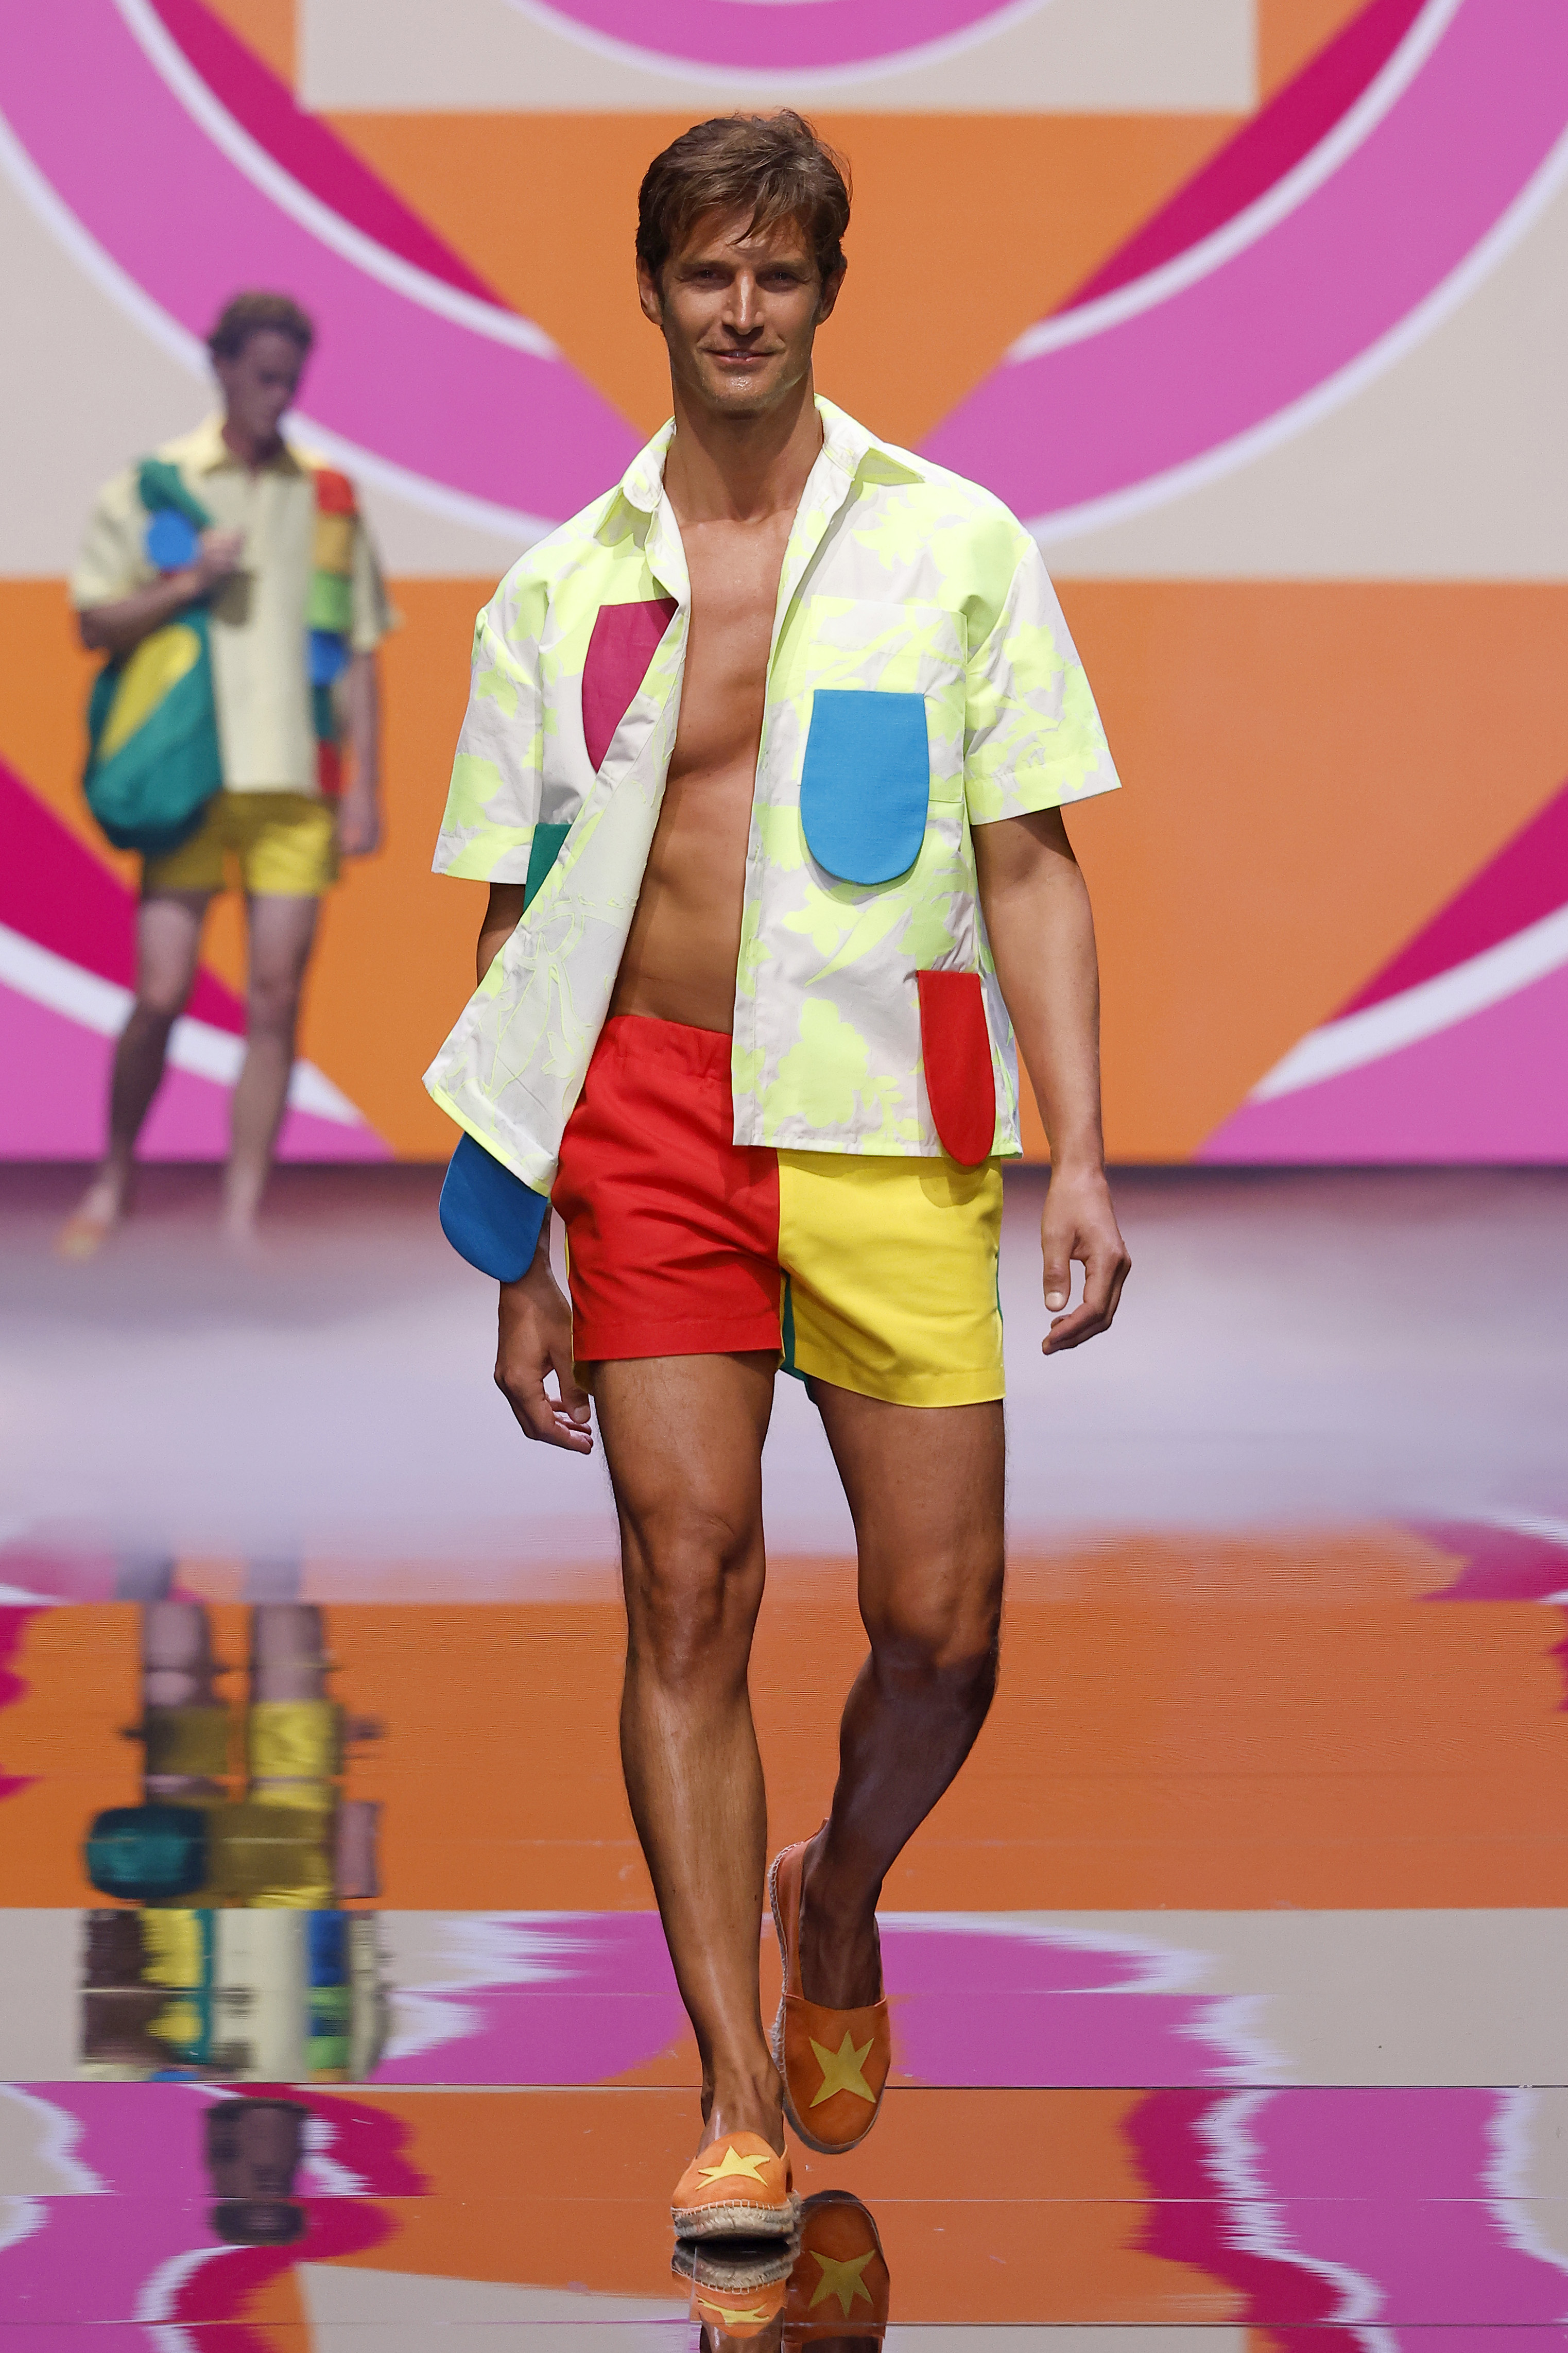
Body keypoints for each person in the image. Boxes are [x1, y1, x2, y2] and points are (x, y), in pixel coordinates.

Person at [424, 113, 1130, 2236]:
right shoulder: (555, 590)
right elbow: (520, 929)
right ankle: (734, 2086)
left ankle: (832, 1892)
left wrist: (1080, 1152)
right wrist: (518, 1239)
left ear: (824, 289)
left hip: (888, 1114)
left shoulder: (953, 542)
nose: (739, 308)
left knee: (941, 1631)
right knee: (686, 1578)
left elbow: (1028, 859)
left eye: (776, 272)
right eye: (706, 271)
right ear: (649, 288)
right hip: (641, 1119)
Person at [61, 291, 392, 1255]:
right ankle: (114, 1174)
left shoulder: (328, 493)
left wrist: (365, 784)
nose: (278, 394)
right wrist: (186, 583)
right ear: (222, 368)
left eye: (291, 379)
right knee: (160, 993)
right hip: (191, 781)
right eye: (263, 376)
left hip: (294, 780)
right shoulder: (156, 486)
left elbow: (358, 647)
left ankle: (241, 1214)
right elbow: (92, 622)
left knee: (276, 1001)